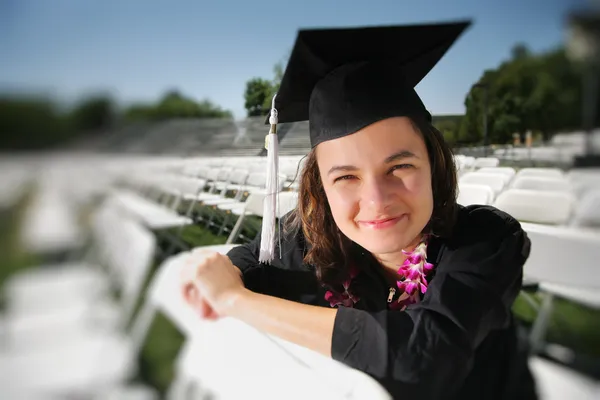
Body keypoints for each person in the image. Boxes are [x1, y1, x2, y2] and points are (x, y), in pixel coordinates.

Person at [182, 20, 537, 399]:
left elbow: (424, 352)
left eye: (399, 167)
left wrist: (236, 300)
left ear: (433, 165)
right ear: (321, 187)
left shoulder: (485, 241)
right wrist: (228, 272)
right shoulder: (312, 237)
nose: (377, 200)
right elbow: (255, 258)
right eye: (346, 177)